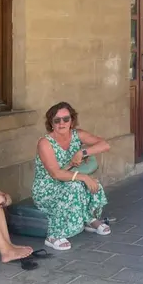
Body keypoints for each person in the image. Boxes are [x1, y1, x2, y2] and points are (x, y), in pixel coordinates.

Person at [33, 102, 111, 251]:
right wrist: (82, 176)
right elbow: (55, 173)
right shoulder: (45, 143)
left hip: (70, 178)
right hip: (47, 187)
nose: (62, 123)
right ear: (51, 122)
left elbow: (105, 145)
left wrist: (83, 152)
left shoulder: (77, 134)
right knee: (77, 184)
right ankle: (54, 235)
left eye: (66, 119)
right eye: (57, 120)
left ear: (72, 120)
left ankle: (89, 219)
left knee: (90, 182)